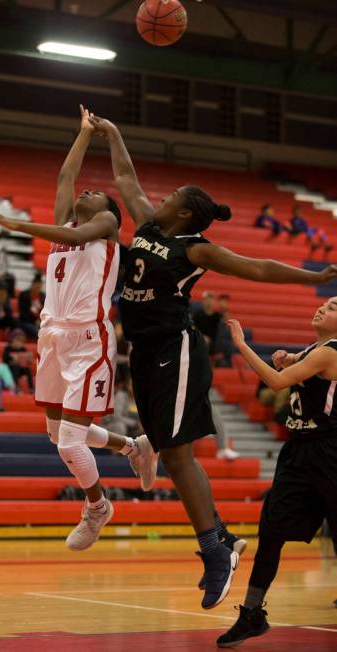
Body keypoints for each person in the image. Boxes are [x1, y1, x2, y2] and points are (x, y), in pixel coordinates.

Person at [88, 110, 337, 610]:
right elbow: (124, 177)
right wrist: (113, 133)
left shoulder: (194, 249)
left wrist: (313, 279)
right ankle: (219, 535)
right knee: (169, 454)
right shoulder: (146, 224)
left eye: (169, 199)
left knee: (179, 455)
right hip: (144, 352)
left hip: (176, 350)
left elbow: (259, 267)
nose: (156, 200)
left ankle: (214, 552)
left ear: (183, 215)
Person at [0, 105, 158, 552]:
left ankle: (97, 506)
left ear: (109, 213)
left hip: (88, 338)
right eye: (87, 191)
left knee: (69, 445)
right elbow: (65, 178)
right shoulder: (67, 224)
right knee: (56, 433)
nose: (88, 191)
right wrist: (82, 133)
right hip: (52, 335)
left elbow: (79, 236)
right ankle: (131, 447)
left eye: (97, 193)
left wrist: (11, 223)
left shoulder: (105, 228)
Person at [217, 300, 337, 647]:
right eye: (323, 303)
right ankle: (252, 613)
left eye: (331, 307)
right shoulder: (315, 349)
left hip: (329, 451)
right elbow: (290, 363)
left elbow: (276, 382)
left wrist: (242, 346)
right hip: (299, 452)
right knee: (270, 531)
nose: (321, 308)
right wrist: (286, 357)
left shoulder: (330, 353)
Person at [3, 329, 34, 394]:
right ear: (12, 340)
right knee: (16, 367)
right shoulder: (8, 349)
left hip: (21, 368)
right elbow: (5, 362)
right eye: (17, 340)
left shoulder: (23, 349)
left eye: (20, 341)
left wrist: (29, 359)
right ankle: (16, 387)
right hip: (11, 369)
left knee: (28, 369)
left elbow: (29, 361)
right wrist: (15, 360)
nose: (19, 343)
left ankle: (32, 388)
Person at [17, 272, 45, 340]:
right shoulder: (23, 295)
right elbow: (23, 313)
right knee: (36, 331)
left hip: (40, 321)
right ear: (32, 285)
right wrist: (35, 321)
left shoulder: (42, 296)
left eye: (39, 287)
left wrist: (41, 320)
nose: (37, 288)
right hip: (26, 321)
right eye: (36, 286)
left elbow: (45, 311)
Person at [193, 291, 222, 355]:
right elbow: (194, 328)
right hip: (200, 340)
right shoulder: (197, 315)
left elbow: (221, 331)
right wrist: (202, 337)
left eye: (211, 300)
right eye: (207, 300)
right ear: (203, 301)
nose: (209, 302)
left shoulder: (218, 316)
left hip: (214, 342)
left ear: (214, 302)